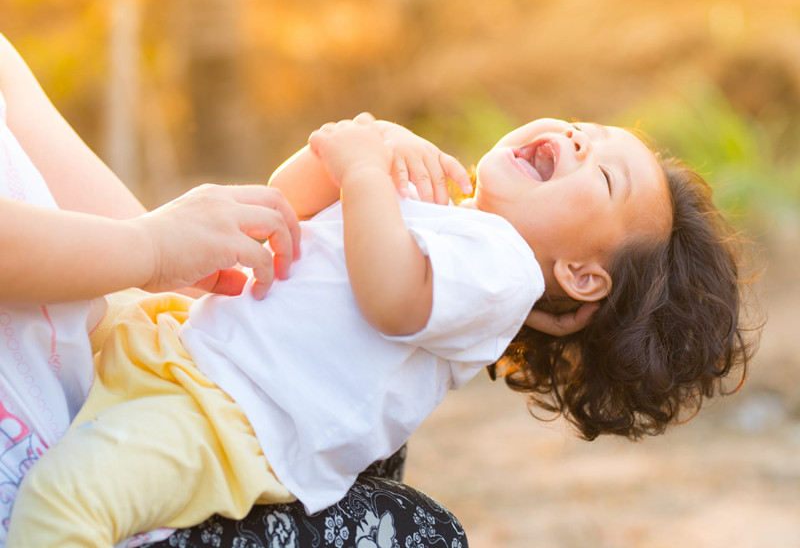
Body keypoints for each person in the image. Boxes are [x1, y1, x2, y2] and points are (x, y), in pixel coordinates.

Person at [7, 108, 754, 547]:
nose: (578, 140)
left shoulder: (502, 271)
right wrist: (345, 149)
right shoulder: (444, 208)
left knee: (67, 508)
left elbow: (391, 297)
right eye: (584, 128)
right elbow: (283, 207)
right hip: (181, 351)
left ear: (583, 277)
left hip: (223, 420)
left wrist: (367, 174)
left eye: (603, 174)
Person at [0, 33, 470, 548]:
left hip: (96, 376)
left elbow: (143, 240)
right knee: (421, 533)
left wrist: (188, 254)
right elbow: (148, 246)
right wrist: (152, 246)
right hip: (47, 480)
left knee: (360, 424)